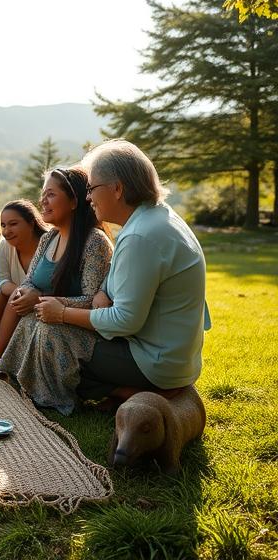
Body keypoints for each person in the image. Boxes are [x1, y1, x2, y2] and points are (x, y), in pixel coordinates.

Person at [34, 140, 210, 406]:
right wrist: (104, 290)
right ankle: (127, 391)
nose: (88, 197)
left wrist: (62, 313)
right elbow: (126, 276)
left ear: (117, 188)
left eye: (92, 188)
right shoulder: (156, 218)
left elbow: (125, 321)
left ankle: (133, 393)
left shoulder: (141, 235)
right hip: (173, 357)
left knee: (53, 335)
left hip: (156, 362)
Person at [0, 166, 113, 414]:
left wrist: (43, 299)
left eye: (50, 194)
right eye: (42, 195)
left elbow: (94, 302)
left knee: (45, 327)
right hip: (48, 317)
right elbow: (29, 281)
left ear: (73, 201)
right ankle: (16, 383)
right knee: (28, 319)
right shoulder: (49, 238)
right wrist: (25, 292)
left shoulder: (95, 242)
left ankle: (53, 398)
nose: (43, 201)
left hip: (84, 328)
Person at [0, 200, 48, 371]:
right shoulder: (5, 245)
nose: (6, 231)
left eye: (13, 224)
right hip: (15, 302)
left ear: (31, 223)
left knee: (15, 296)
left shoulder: (48, 244)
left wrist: (26, 295)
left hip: (41, 302)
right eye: (3, 225)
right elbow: (1, 280)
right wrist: (19, 291)